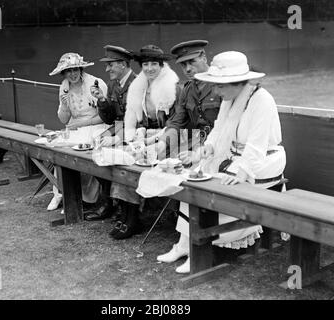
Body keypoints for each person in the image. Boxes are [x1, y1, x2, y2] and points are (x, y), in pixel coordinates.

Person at [157, 51, 286, 274]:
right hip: (237, 159)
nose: (215, 91)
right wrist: (202, 152)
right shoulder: (231, 98)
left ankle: (200, 246)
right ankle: (183, 244)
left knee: (212, 185)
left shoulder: (262, 100)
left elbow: (255, 149)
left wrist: (238, 171)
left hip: (261, 164)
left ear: (237, 83)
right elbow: (218, 133)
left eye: (220, 86)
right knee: (193, 178)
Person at [109, 44, 180, 240]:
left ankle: (134, 217)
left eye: (154, 64)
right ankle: (129, 214)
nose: (149, 69)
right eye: (146, 64)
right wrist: (134, 134)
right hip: (143, 134)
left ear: (162, 65)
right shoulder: (138, 85)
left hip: (167, 137)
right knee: (122, 157)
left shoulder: (173, 86)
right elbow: (132, 116)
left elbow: (176, 122)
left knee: (138, 161)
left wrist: (154, 138)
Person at [47, 52, 109, 211]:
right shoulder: (64, 86)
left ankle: (87, 199)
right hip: (74, 127)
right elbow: (63, 120)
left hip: (96, 126)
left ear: (81, 69)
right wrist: (65, 106)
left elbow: (105, 116)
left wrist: (82, 123)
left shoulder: (96, 83)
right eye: (68, 71)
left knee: (85, 151)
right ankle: (62, 194)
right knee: (59, 149)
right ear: (64, 73)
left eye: (75, 69)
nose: (72, 74)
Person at [85, 45, 136, 221]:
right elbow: (110, 119)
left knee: (114, 157)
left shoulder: (137, 84)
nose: (107, 69)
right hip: (119, 129)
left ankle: (124, 208)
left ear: (123, 64)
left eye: (111, 65)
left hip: (136, 133)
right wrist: (101, 99)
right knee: (94, 151)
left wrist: (116, 137)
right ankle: (109, 203)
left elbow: (138, 120)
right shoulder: (114, 85)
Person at [154, 40, 221, 159]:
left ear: (204, 58)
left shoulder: (221, 84)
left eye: (192, 62)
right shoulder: (187, 90)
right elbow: (177, 122)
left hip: (218, 146)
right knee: (160, 158)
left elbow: (228, 126)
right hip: (196, 144)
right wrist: (163, 142)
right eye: (183, 65)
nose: (188, 69)